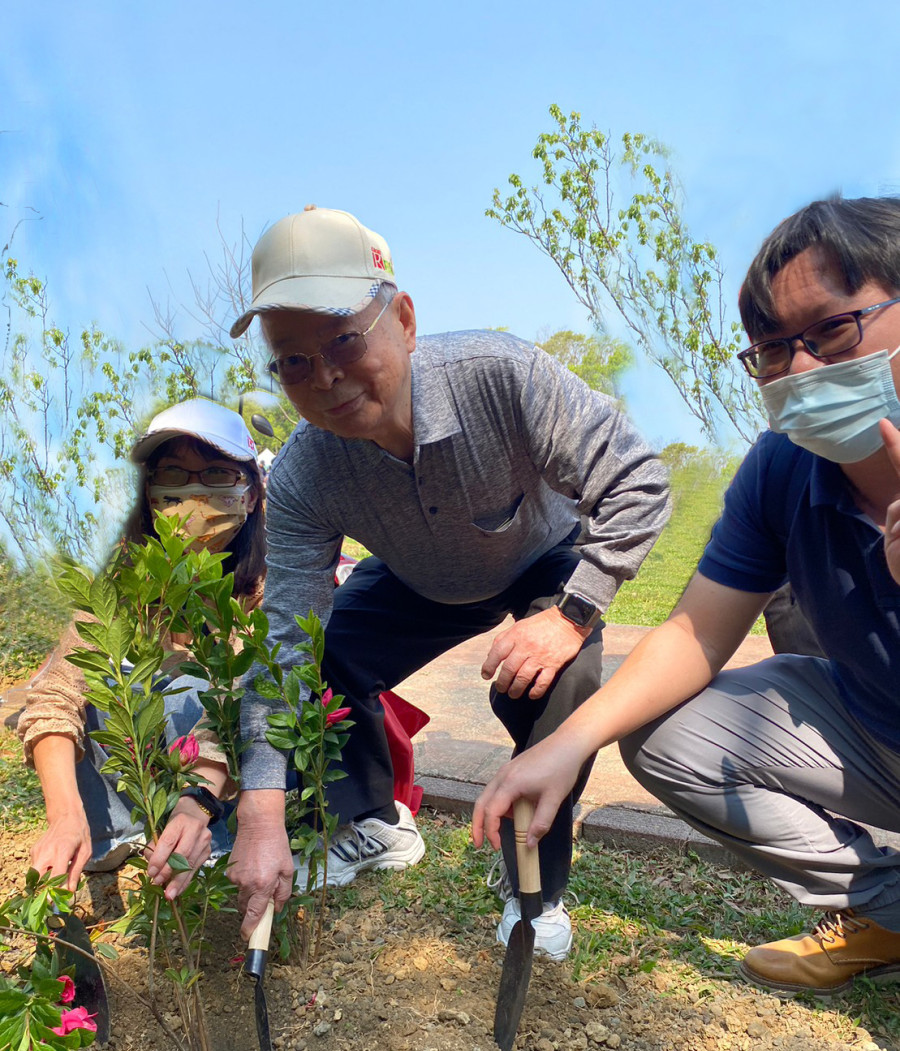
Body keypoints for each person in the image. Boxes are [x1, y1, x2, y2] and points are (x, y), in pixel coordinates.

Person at [474, 195, 900, 996]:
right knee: (666, 731)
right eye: (772, 350)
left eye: (833, 331)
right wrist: (565, 745)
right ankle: (889, 908)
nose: (799, 371)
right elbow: (697, 633)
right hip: (878, 734)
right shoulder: (782, 469)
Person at [226, 204, 670, 948]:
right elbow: (284, 645)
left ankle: (535, 888)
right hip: (417, 578)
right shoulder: (305, 473)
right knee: (327, 650)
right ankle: (373, 823)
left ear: (401, 318)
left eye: (342, 338)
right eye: (294, 360)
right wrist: (260, 813)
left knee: (558, 690)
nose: (326, 377)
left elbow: (639, 482)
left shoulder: (501, 375)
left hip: (542, 555)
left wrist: (570, 616)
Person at [20, 398, 265, 902]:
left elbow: (245, 699)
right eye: (173, 473)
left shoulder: (269, 588)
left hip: (216, 805)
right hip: (148, 799)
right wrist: (64, 816)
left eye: (216, 474)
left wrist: (197, 803)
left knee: (206, 682)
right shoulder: (124, 585)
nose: (193, 494)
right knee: (110, 675)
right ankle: (110, 837)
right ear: (150, 492)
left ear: (252, 492)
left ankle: (207, 840)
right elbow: (53, 696)